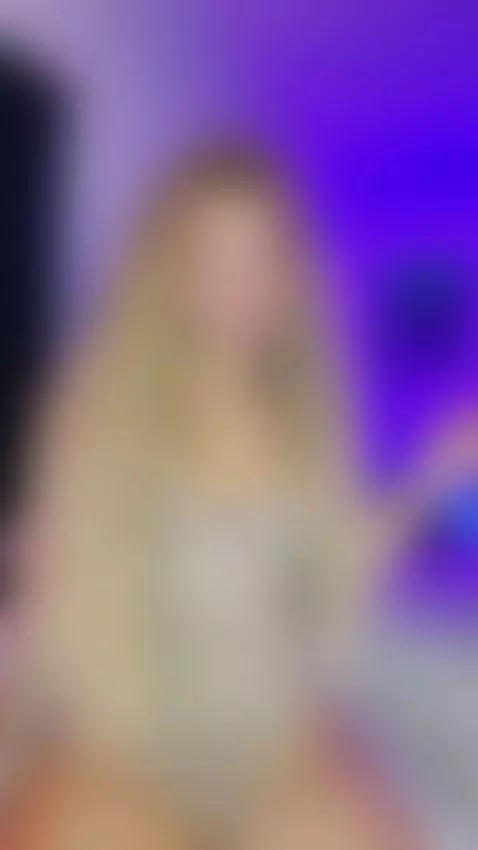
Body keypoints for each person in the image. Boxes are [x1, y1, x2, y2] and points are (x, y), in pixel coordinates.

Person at [7, 143, 477, 849]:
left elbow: (336, 570)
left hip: (275, 736)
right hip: (133, 740)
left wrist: (433, 477)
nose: (242, 284)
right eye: (214, 259)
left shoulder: (300, 418)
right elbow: (71, 603)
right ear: (169, 271)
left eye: (263, 256)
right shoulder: (100, 409)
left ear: (291, 274)